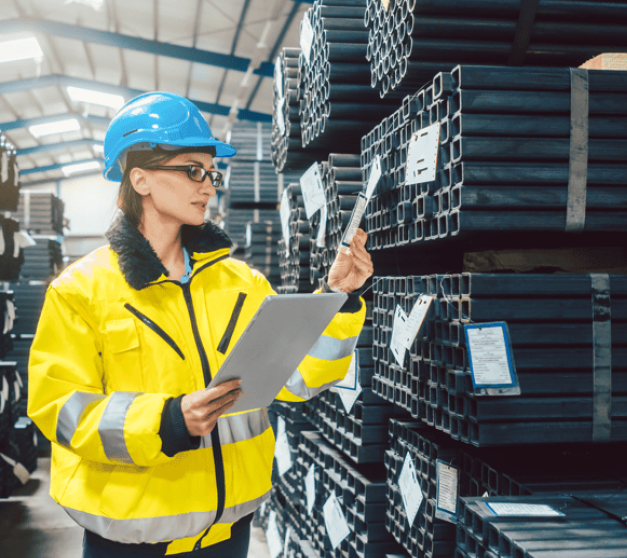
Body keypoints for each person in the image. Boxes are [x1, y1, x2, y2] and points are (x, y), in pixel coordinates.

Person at [28, 92, 374, 557]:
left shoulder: (242, 283)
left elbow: (295, 377)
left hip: (227, 531)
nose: (209, 187)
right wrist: (168, 421)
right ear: (141, 177)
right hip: (132, 536)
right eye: (193, 170)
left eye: (212, 173)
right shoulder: (80, 290)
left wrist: (340, 299)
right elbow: (61, 409)